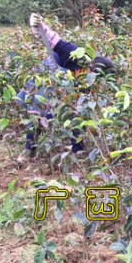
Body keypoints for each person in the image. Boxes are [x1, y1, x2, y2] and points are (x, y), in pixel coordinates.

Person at [19, 13, 114, 157]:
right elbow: (53, 41)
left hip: (62, 85)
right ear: (90, 67)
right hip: (45, 79)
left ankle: (78, 151)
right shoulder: (76, 55)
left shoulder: (87, 82)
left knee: (75, 111)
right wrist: (38, 25)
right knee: (38, 113)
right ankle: (28, 150)